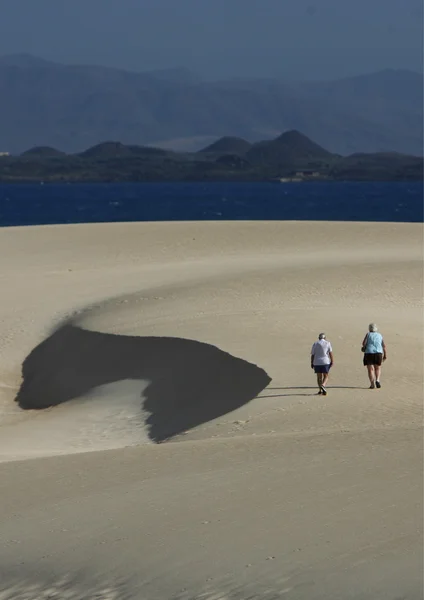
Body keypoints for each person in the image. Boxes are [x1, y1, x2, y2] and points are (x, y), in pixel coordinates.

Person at [362, 323, 386, 389]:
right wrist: (385, 355)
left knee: (370, 369)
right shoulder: (380, 335)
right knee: (377, 368)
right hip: (378, 353)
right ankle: (377, 380)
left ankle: (372, 384)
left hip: (369, 353)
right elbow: (384, 346)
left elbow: (363, 343)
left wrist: (364, 347)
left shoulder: (368, 334)